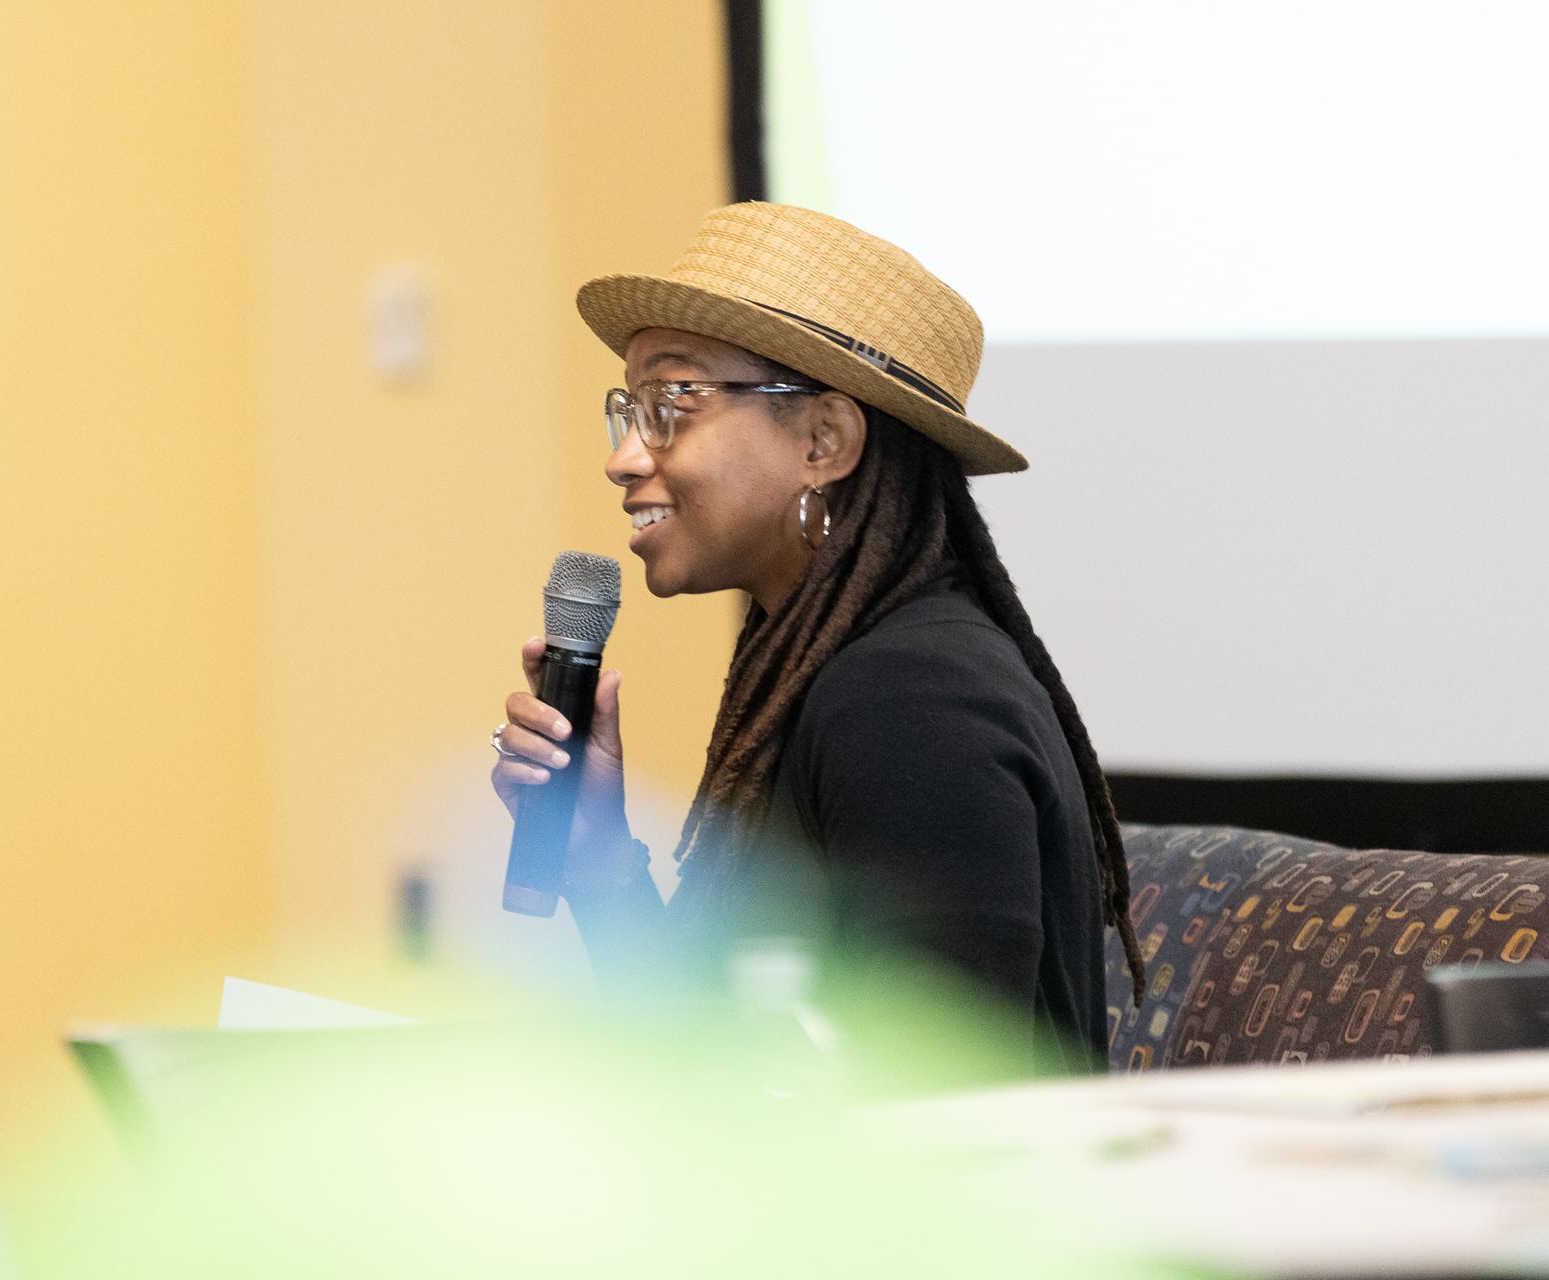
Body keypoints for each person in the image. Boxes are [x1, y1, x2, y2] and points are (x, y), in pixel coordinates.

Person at [489, 203, 1142, 1077]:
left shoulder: (912, 702)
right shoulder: (834, 671)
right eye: (627, 409)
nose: (624, 458)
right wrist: (599, 859)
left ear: (826, 441)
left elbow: (939, 1107)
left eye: (672, 403)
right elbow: (719, 1057)